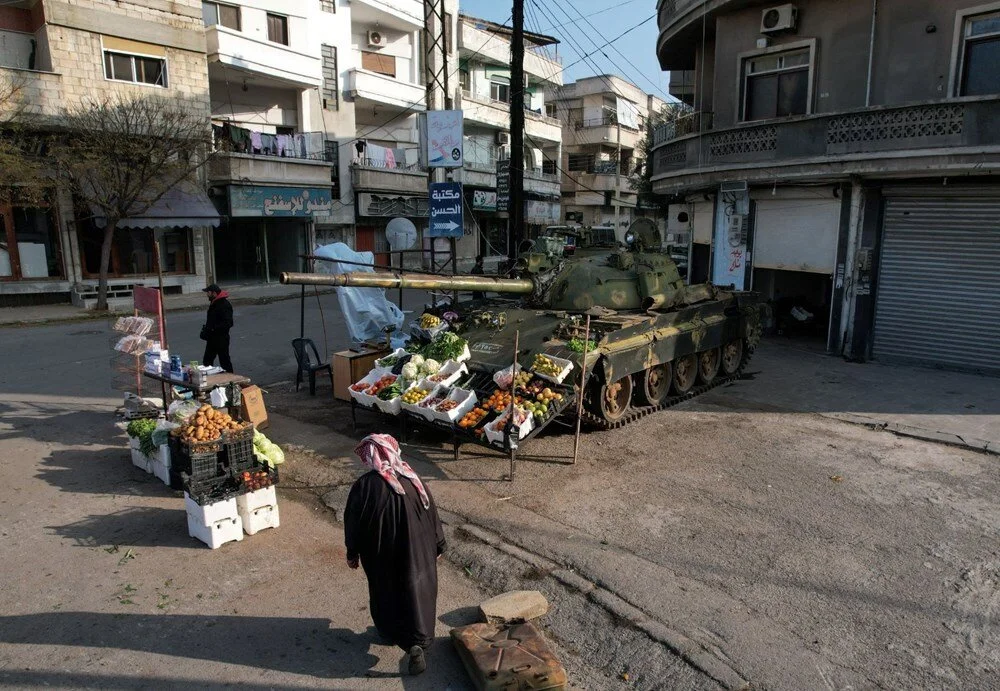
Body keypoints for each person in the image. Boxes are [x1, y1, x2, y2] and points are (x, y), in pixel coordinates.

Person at [344, 434, 445, 676]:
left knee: (387, 592)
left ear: (371, 455)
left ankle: (391, 633)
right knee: (417, 593)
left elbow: (353, 523)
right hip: (419, 553)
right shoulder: (414, 479)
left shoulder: (364, 486)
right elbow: (432, 515)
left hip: (381, 555)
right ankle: (417, 644)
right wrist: (438, 545)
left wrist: (352, 552)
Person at [200, 284, 234, 373]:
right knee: (207, 361)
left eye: (208, 292)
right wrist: (207, 330)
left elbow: (228, 323)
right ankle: (208, 381)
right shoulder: (214, 302)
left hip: (221, 338)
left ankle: (231, 381)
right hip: (212, 338)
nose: (207, 294)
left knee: (224, 361)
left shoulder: (224, 305)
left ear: (214, 293)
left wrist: (212, 329)